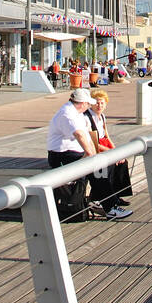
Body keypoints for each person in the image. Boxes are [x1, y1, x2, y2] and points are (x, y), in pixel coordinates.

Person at [47, 88, 100, 222]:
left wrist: (93, 154)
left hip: (72, 152)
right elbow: (79, 134)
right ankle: (107, 204)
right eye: (88, 104)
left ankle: (104, 200)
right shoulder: (67, 114)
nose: (89, 106)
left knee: (104, 167)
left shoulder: (77, 113)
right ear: (82, 103)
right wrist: (90, 155)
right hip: (60, 154)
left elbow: (87, 135)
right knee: (99, 170)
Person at [84, 89, 132, 219]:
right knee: (108, 165)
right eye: (97, 103)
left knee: (122, 162)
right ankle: (103, 198)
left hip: (103, 145)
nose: (99, 106)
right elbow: (91, 142)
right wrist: (111, 152)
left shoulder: (102, 117)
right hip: (95, 147)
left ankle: (116, 194)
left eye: (102, 103)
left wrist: (116, 151)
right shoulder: (87, 118)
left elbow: (107, 135)